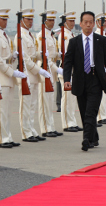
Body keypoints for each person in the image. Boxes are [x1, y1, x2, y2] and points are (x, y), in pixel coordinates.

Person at [63, 11, 106, 151]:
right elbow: (67, 62)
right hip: (80, 80)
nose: (88, 24)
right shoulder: (74, 42)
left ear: (94, 23)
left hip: (96, 80)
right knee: (84, 110)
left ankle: (86, 139)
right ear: (80, 24)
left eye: (90, 22)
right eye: (85, 22)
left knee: (91, 112)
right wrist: (66, 79)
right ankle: (94, 137)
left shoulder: (101, 40)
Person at [14, 9, 50, 142]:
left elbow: (33, 55)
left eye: (31, 19)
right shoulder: (21, 36)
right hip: (27, 74)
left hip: (33, 74)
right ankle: (26, 132)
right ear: (22, 20)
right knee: (26, 105)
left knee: (32, 105)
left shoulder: (30, 35)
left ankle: (32, 129)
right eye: (28, 19)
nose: (30, 21)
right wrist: (39, 70)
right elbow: (25, 59)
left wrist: (42, 55)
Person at [0, 9, 26, 148]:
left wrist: (13, 56)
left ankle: (7, 136)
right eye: (3, 19)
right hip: (2, 78)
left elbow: (5, 58)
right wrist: (13, 73)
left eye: (6, 19)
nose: (5, 21)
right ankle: (3, 138)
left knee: (8, 110)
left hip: (7, 78)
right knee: (2, 111)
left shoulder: (5, 36)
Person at [36, 10, 64, 138]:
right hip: (45, 70)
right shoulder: (41, 35)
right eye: (50, 20)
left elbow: (52, 55)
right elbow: (44, 58)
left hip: (51, 70)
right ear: (44, 21)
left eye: (53, 20)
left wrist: (61, 56)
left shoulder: (51, 35)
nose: (52, 22)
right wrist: (57, 69)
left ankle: (51, 126)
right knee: (44, 102)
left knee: (50, 101)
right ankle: (45, 128)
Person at [58, 11, 82, 132]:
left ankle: (72, 121)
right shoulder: (64, 35)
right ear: (65, 22)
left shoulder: (70, 35)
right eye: (70, 21)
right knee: (66, 98)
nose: (72, 23)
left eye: (73, 21)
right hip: (67, 71)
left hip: (73, 71)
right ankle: (67, 123)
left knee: (72, 99)